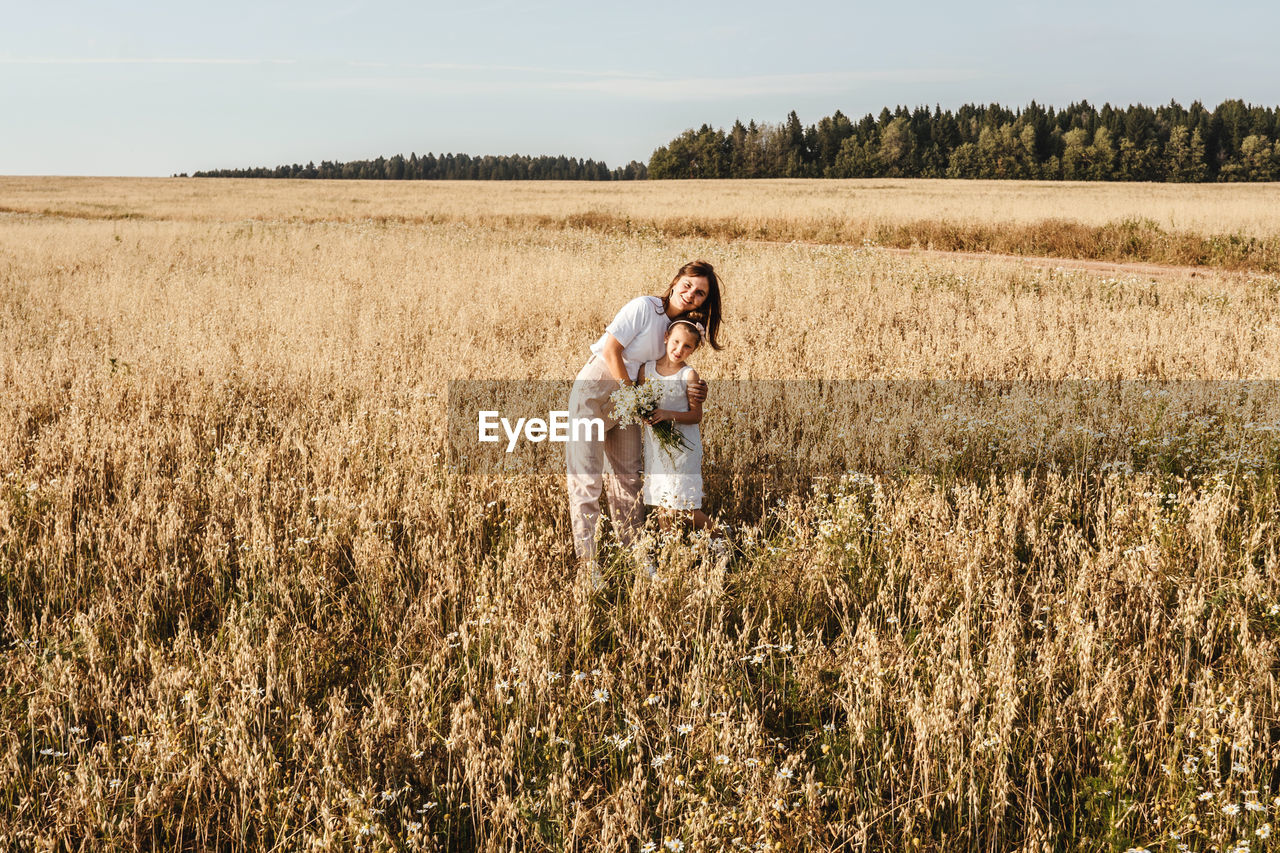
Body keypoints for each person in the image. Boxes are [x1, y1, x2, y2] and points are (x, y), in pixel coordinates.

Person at [566, 260, 724, 571]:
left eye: (701, 293)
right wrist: (630, 393)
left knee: (628, 480)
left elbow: (668, 370)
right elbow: (612, 350)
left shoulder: (680, 332)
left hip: (629, 404)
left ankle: (637, 560)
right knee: (586, 481)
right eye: (688, 284)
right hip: (595, 393)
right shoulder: (644, 307)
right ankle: (589, 567)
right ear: (676, 280)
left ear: (705, 302)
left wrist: (695, 388)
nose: (691, 294)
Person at [636, 319, 722, 536]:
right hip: (657, 447)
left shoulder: (689, 375)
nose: (679, 349)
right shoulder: (646, 370)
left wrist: (667, 415)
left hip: (683, 449)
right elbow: (639, 402)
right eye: (675, 342)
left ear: (694, 349)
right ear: (666, 338)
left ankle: (725, 540)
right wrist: (644, 414)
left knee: (683, 509)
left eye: (687, 346)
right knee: (663, 506)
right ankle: (671, 553)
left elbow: (696, 416)